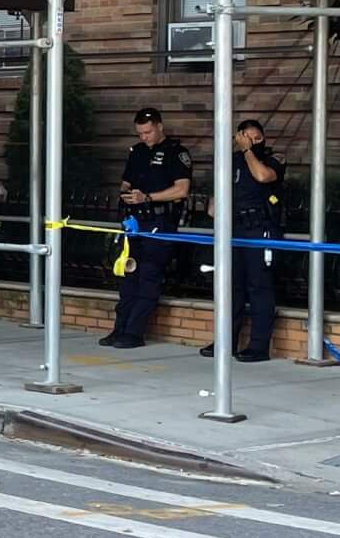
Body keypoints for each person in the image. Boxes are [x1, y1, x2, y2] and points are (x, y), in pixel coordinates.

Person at [100, 105, 192, 350]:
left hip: (159, 223)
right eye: (140, 133)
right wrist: (127, 196)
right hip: (135, 223)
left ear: (160, 126)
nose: (144, 137)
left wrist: (148, 197)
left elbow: (182, 189)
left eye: (148, 132)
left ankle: (134, 332)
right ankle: (120, 328)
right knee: (129, 276)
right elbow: (125, 183)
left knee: (148, 277)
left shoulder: (176, 152)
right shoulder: (137, 152)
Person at [202, 117, 285, 362]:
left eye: (257, 138)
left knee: (259, 287)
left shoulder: (273, 159)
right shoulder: (230, 161)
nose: (253, 142)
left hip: (260, 230)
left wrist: (249, 150)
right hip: (233, 230)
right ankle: (226, 341)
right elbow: (214, 204)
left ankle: (259, 346)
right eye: (247, 138)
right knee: (231, 287)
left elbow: (262, 176)